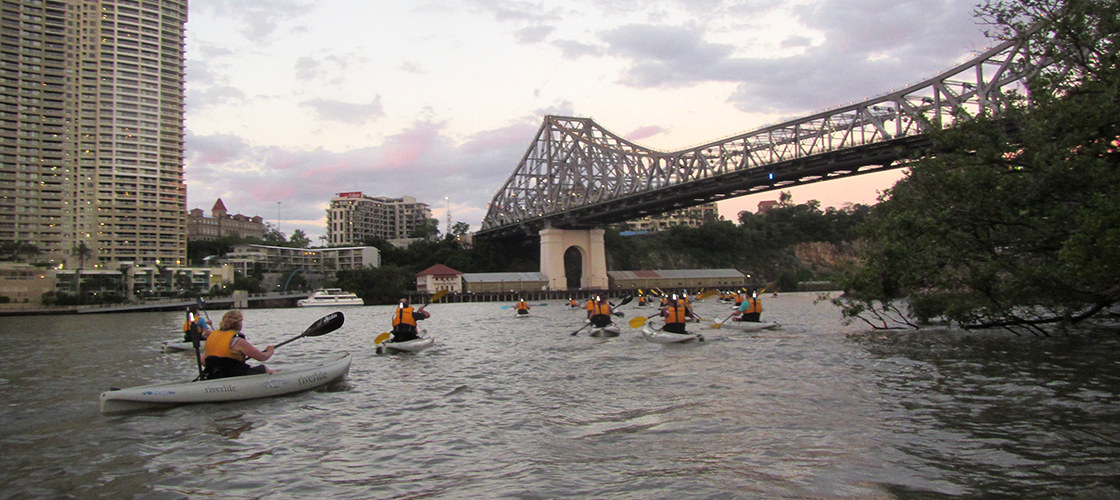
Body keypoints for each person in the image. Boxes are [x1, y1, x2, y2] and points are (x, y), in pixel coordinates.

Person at [201, 310, 274, 379]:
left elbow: (203, 361)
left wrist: (218, 365)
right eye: (241, 321)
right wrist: (270, 351)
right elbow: (262, 357)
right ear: (237, 323)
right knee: (263, 368)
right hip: (233, 375)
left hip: (215, 375)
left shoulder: (212, 337)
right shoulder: (238, 341)